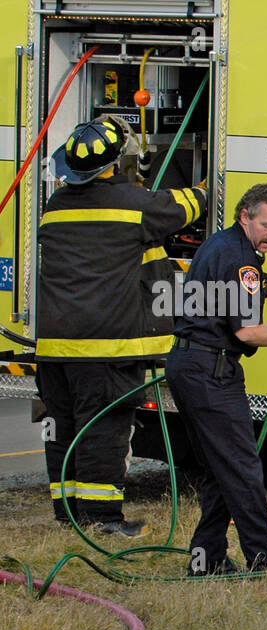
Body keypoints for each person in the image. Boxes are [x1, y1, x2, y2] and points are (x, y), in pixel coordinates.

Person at [35, 118, 206, 536]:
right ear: (116, 163)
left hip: (54, 347)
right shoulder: (134, 204)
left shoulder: (54, 206)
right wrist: (208, 183)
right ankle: (103, 521)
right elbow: (188, 205)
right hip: (105, 348)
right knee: (103, 430)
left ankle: (68, 515)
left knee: (63, 428)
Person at [165, 183, 267, 575]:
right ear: (245, 216)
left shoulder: (219, 245)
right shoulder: (241, 260)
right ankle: (265, 560)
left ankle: (207, 559)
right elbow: (247, 331)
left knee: (220, 467)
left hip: (190, 366)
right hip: (210, 372)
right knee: (241, 467)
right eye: (266, 225)